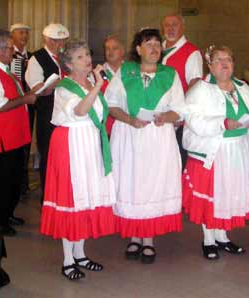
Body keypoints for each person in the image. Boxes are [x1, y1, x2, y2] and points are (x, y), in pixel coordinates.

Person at [105, 28, 185, 264]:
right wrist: (129, 119)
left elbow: (179, 108)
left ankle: (148, 239)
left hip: (158, 138)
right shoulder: (125, 72)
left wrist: (165, 117)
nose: (154, 48)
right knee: (131, 182)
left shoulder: (170, 74)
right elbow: (110, 104)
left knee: (152, 183)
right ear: (138, 49)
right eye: (148, 44)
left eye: (157, 44)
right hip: (129, 135)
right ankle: (133, 236)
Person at [40, 40, 116, 280]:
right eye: (81, 56)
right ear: (69, 64)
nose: (87, 59)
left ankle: (80, 254)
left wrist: (97, 84)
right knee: (72, 197)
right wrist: (99, 85)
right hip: (71, 143)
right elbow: (81, 111)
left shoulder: (89, 84)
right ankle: (68, 259)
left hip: (89, 143)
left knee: (86, 196)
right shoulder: (65, 87)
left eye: (87, 54)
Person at [182, 46, 249, 260]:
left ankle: (223, 237)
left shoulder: (243, 87)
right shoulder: (200, 89)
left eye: (228, 59)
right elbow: (192, 118)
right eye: (219, 60)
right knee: (212, 196)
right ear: (210, 65)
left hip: (237, 150)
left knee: (227, 195)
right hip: (213, 151)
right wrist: (223, 123)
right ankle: (209, 240)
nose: (225, 63)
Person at [0, 29, 39, 236]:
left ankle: (7, 213)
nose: (13, 51)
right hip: (1, 139)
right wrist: (26, 99)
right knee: (2, 183)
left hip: (15, 137)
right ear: (0, 50)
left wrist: (28, 95)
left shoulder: (6, 72)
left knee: (13, 181)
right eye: (11, 47)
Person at [25, 23, 69, 200]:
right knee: (48, 155)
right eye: (57, 41)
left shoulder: (65, 57)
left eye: (63, 41)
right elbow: (36, 89)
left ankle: (63, 194)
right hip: (47, 114)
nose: (61, 45)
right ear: (47, 40)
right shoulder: (37, 58)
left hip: (66, 114)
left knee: (64, 155)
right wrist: (55, 83)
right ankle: (48, 197)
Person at [161, 13, 203, 167]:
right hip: (159, 117)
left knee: (175, 164)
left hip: (177, 121)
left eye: (175, 24)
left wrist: (179, 115)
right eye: (167, 25)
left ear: (183, 27)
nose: (170, 28)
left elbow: (195, 85)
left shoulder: (191, 52)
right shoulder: (157, 49)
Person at [10, 23, 33, 196]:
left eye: (26, 33)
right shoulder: (10, 57)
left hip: (29, 106)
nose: (24, 36)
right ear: (12, 36)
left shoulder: (31, 57)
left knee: (27, 140)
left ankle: (23, 180)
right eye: (21, 33)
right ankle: (15, 179)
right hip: (14, 106)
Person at [102, 35, 125, 135]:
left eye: (114, 48)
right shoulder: (96, 74)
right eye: (107, 48)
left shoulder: (133, 72)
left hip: (128, 127)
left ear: (123, 51)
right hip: (106, 129)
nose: (110, 52)